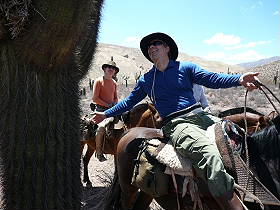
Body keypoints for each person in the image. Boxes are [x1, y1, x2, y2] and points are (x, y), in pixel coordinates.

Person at [91, 32, 260, 209]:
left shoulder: (185, 68)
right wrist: (106, 114)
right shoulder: (147, 80)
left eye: (156, 43)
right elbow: (128, 101)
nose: (151, 47)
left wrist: (239, 79)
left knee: (239, 138)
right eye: (148, 46)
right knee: (209, 157)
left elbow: (211, 78)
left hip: (203, 116)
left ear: (167, 48)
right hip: (177, 124)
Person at [92, 60, 119, 162]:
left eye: (113, 68)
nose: (111, 69)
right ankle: (99, 152)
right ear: (104, 69)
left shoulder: (114, 83)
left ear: (115, 72)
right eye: (109, 67)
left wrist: (115, 104)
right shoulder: (99, 81)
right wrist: (108, 105)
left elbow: (116, 97)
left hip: (113, 110)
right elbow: (95, 98)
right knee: (101, 128)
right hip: (101, 110)